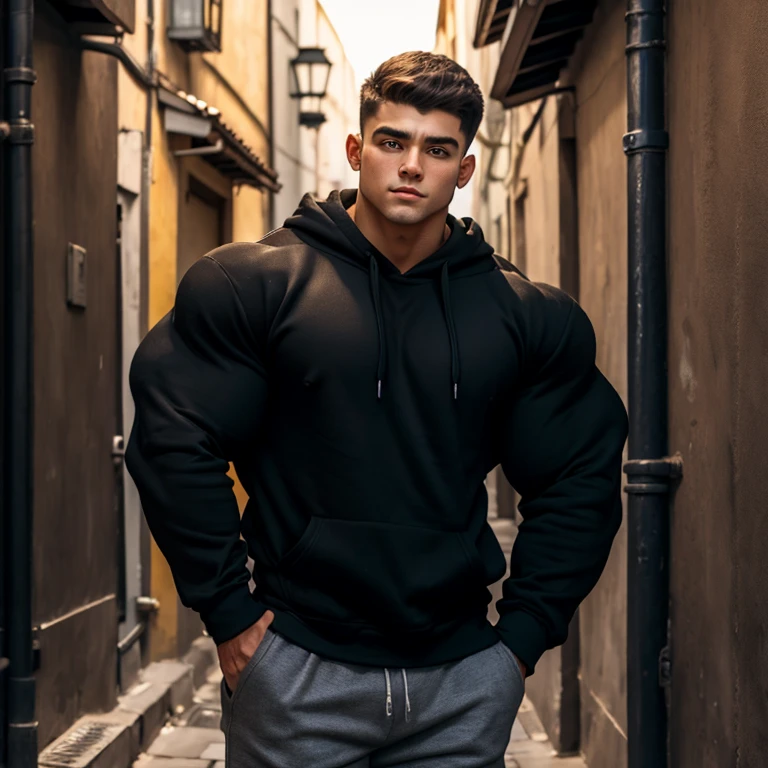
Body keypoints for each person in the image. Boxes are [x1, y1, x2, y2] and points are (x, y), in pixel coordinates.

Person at [126, 51, 628, 767]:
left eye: (437, 148)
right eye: (392, 141)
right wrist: (231, 617)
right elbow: (174, 441)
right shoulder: (259, 287)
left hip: (460, 680)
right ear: (358, 149)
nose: (412, 165)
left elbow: (580, 474)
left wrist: (520, 641)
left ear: (466, 168)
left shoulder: (521, 316)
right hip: (296, 670)